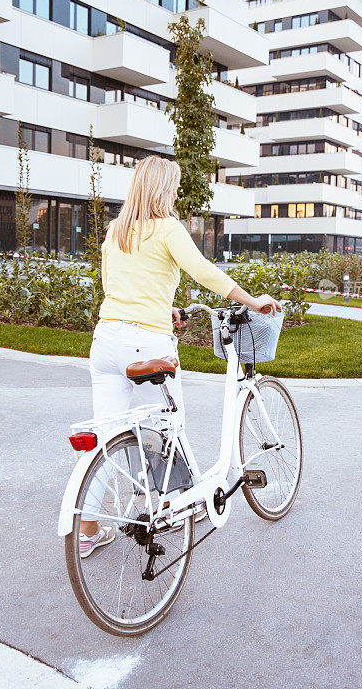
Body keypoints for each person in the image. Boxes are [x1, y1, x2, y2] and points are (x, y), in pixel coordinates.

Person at [79, 156, 282, 556]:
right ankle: (175, 504)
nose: (175, 194)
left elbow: (115, 286)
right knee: (168, 424)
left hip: (105, 342)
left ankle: (87, 530)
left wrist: (163, 306)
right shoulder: (168, 228)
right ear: (162, 190)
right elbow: (203, 271)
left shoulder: (115, 231)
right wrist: (252, 300)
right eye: (172, 187)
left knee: (104, 436)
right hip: (147, 343)